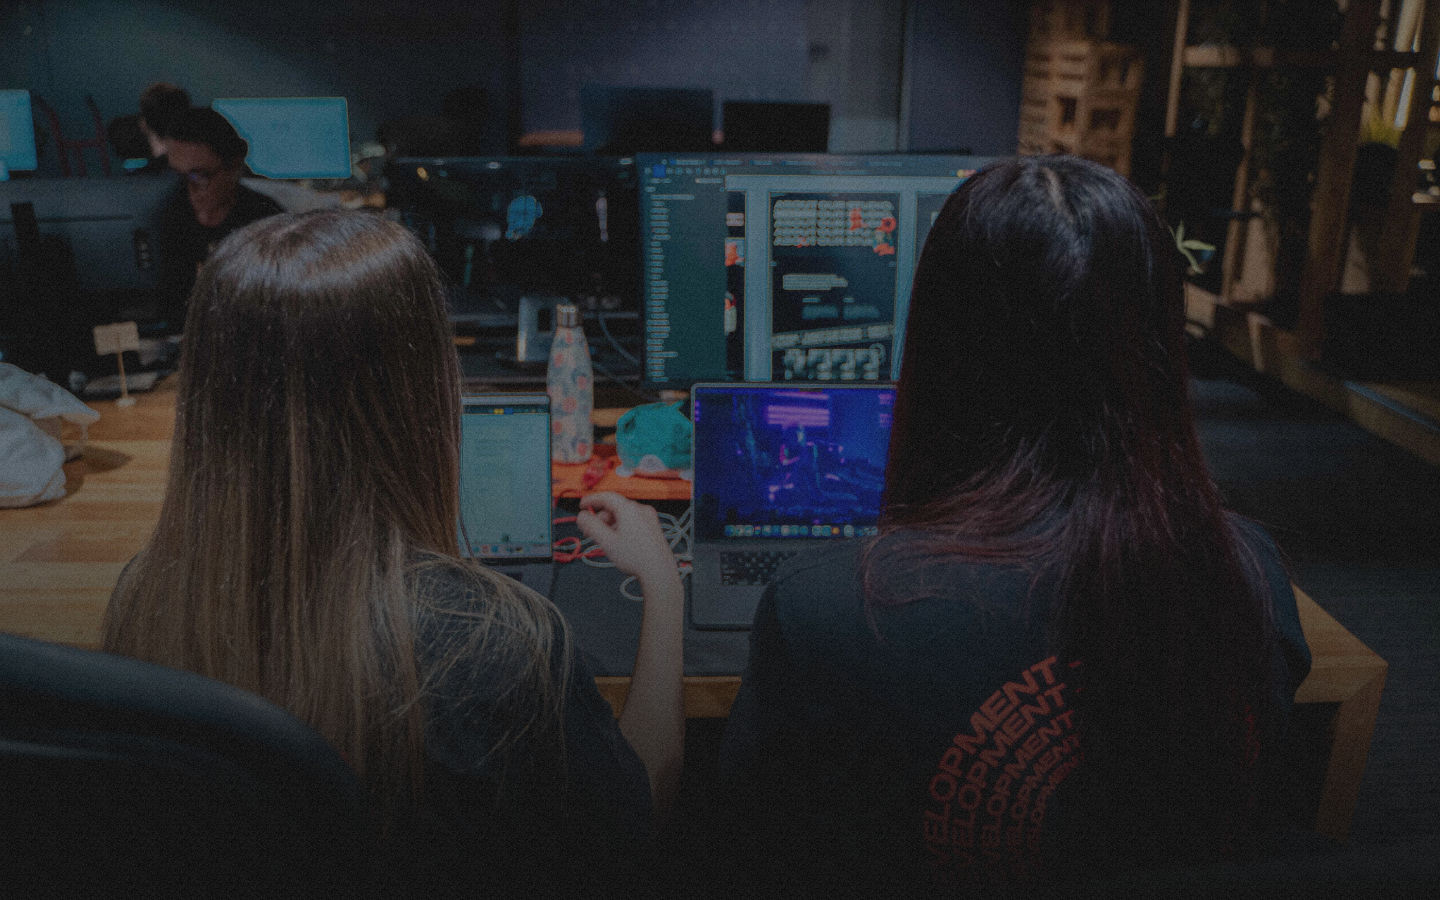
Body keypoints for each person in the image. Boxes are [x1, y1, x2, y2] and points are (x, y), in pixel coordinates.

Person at [717, 156, 1312, 893]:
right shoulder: (1250, 574)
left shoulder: (825, 611)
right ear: (1159, 345)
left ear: (940, 342)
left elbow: (748, 852)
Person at [101, 210, 685, 894]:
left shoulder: (142, 597)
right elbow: (637, 820)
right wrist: (663, 584)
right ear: (426, 390)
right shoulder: (494, 640)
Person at [153, 106, 283, 328]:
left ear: (233, 166)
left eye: (201, 176)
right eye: (179, 175)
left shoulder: (265, 217)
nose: (189, 189)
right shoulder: (170, 214)